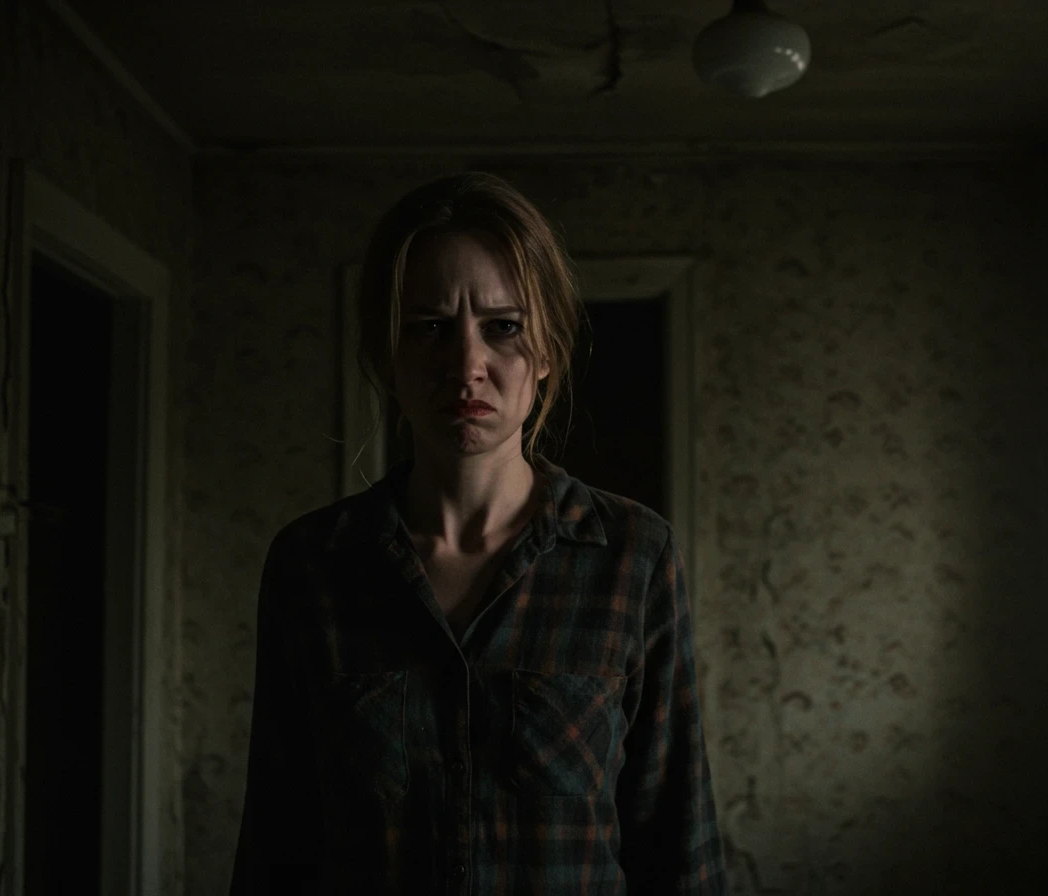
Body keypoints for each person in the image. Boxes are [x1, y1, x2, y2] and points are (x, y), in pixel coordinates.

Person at [230, 171, 727, 894]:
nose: (466, 366)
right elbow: (278, 840)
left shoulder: (632, 556)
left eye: (504, 327)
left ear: (549, 347)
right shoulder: (314, 564)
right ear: (385, 353)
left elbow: (676, 836)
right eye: (430, 327)